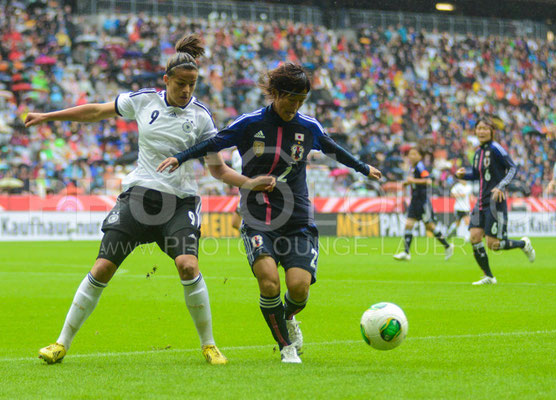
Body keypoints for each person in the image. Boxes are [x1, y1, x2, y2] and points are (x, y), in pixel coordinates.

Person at [25, 33, 275, 365]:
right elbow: (97, 111)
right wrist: (48, 116)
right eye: (181, 84)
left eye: (193, 84)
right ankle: (61, 343)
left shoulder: (201, 118)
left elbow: (218, 170)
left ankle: (209, 344)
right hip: (138, 198)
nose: (187, 91)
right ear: (166, 79)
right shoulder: (143, 101)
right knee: (102, 268)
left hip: (179, 204)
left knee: (188, 266)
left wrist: (249, 183)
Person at [157, 63, 382, 363]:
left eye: (302, 100)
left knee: (299, 289)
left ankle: (287, 317)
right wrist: (181, 156)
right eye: (291, 98)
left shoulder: (308, 127)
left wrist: (363, 168)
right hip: (257, 216)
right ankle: (287, 346)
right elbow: (214, 143)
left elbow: (334, 149)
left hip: (298, 218)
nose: (295, 106)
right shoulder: (250, 124)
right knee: (269, 282)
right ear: (276, 93)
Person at [456, 118, 535, 285]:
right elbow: (478, 176)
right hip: (480, 201)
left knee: (493, 244)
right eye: (479, 128)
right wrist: (464, 176)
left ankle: (523, 243)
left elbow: (512, 167)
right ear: (475, 131)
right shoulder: (478, 153)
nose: (482, 131)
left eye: (485, 128)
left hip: (495, 201)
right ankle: (489, 276)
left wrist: (501, 186)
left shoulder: (496, 149)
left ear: (492, 131)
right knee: (474, 237)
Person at [393, 147, 453, 262]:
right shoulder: (413, 167)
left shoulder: (420, 166)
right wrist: (407, 183)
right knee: (409, 224)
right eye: (410, 154)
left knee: (430, 227)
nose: (411, 156)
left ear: (420, 156)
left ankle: (447, 246)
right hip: (415, 200)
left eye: (414, 154)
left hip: (423, 201)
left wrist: (412, 181)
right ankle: (406, 252)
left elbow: (428, 180)